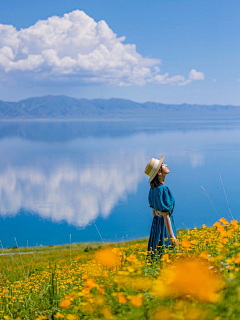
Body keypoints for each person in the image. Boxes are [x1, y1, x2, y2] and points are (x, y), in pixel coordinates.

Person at [144, 156, 178, 260]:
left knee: (157, 252)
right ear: (159, 172)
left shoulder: (153, 190)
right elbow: (166, 215)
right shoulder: (163, 189)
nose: (166, 165)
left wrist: (155, 230)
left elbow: (154, 212)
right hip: (165, 225)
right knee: (167, 253)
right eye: (162, 165)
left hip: (156, 225)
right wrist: (172, 237)